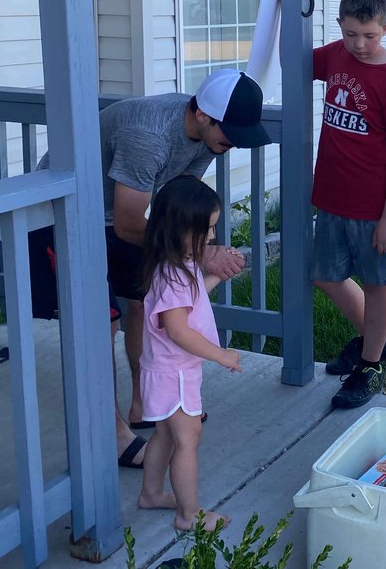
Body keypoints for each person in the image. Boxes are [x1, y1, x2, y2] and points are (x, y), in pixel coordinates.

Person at [30, 68, 268, 469]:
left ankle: (147, 403)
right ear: (204, 116)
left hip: (113, 218)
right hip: (65, 214)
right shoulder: (150, 136)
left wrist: (199, 247)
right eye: (231, 133)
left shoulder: (209, 139)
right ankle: (112, 432)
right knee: (102, 321)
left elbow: (178, 208)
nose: (236, 144)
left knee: (143, 302)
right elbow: (127, 224)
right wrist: (201, 255)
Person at [311, 0, 386, 409]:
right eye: (352, 33)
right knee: (325, 275)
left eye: (369, 36)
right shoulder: (336, 54)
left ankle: (370, 365)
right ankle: (378, 340)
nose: (359, 44)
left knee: (376, 283)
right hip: (331, 195)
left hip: (374, 207)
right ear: (339, 26)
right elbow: (294, 60)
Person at [136, 176, 243, 532]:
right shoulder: (173, 276)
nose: (212, 238)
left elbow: (191, 301)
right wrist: (220, 355)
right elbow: (178, 330)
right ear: (181, 229)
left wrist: (215, 279)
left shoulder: (176, 267)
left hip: (166, 371)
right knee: (187, 439)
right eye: (207, 230)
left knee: (165, 436)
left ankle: (151, 493)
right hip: (174, 374)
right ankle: (188, 514)